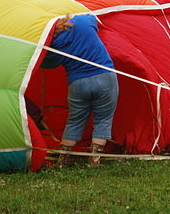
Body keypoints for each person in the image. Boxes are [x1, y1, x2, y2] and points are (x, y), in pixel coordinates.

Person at [41, 14, 119, 167]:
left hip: (77, 82)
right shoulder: (82, 21)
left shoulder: (54, 45)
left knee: (74, 122)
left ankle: (63, 160)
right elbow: (93, 19)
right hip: (105, 76)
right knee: (103, 120)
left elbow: (47, 64)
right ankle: (94, 160)